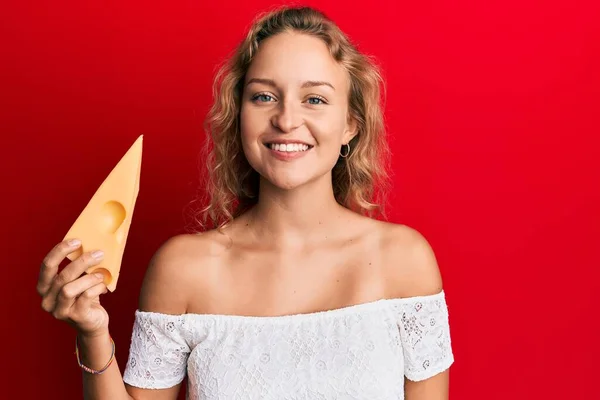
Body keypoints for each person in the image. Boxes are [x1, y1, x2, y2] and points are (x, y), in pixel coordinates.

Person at [37, 5, 454, 400]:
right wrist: (91, 332)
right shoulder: (183, 269)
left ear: (350, 125)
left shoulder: (404, 262)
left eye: (315, 99)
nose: (287, 120)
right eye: (264, 97)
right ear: (238, 116)